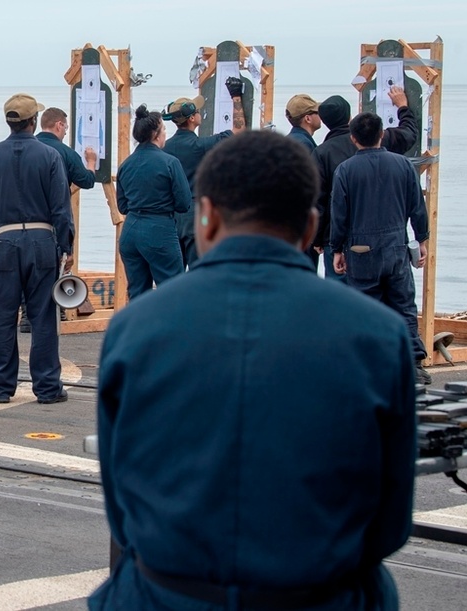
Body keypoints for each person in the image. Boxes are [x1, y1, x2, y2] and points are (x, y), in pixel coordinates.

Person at [92, 130, 416, 611]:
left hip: (168, 592)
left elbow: (122, 513)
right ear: (309, 228)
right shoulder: (380, 334)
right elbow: (390, 522)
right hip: (318, 595)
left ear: (206, 219)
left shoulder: (133, 330)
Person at [0, 93, 72, 405]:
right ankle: (47, 387)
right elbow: (61, 209)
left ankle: (0, 386)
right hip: (42, 242)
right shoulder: (49, 156)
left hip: (5, 241)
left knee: (2, 316)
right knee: (43, 317)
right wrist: (65, 247)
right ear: (32, 122)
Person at [331, 111, 432, 385]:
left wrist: (337, 248)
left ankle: (369, 366)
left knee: (365, 308)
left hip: (361, 249)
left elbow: (340, 214)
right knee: (403, 305)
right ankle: (414, 365)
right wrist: (422, 239)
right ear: (381, 135)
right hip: (396, 245)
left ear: (353, 139)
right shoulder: (403, 165)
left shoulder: (346, 170)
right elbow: (417, 207)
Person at [313, 86, 418, 281]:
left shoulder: (322, 153)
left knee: (340, 300)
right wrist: (403, 107)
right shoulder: (377, 138)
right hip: (381, 238)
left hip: (336, 239)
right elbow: (408, 134)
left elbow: (318, 200)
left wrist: (318, 238)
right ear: (349, 116)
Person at [15, 107, 97, 333]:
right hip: (50, 220)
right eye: (66, 127)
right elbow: (87, 180)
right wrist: (90, 162)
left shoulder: (24, 148)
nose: (66, 131)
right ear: (59, 125)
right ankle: (55, 311)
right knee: (55, 266)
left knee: (25, 269)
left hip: (21, 218)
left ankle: (26, 315)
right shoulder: (63, 152)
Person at [163, 77, 246, 268]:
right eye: (198, 111)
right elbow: (239, 131)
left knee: (174, 276)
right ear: (192, 118)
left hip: (172, 217)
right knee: (197, 270)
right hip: (196, 214)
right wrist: (236, 97)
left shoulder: (164, 148)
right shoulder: (202, 146)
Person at [115, 105, 191, 301]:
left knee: (138, 294)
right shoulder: (169, 162)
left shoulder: (126, 165)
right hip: (158, 228)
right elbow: (184, 203)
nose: (166, 134)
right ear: (156, 134)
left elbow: (122, 206)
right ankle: (171, 331)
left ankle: (137, 331)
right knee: (172, 291)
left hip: (130, 231)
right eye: (164, 129)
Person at [284, 93, 323, 267]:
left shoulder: (290, 141)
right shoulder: (304, 145)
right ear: (308, 118)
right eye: (317, 112)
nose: (320, 116)